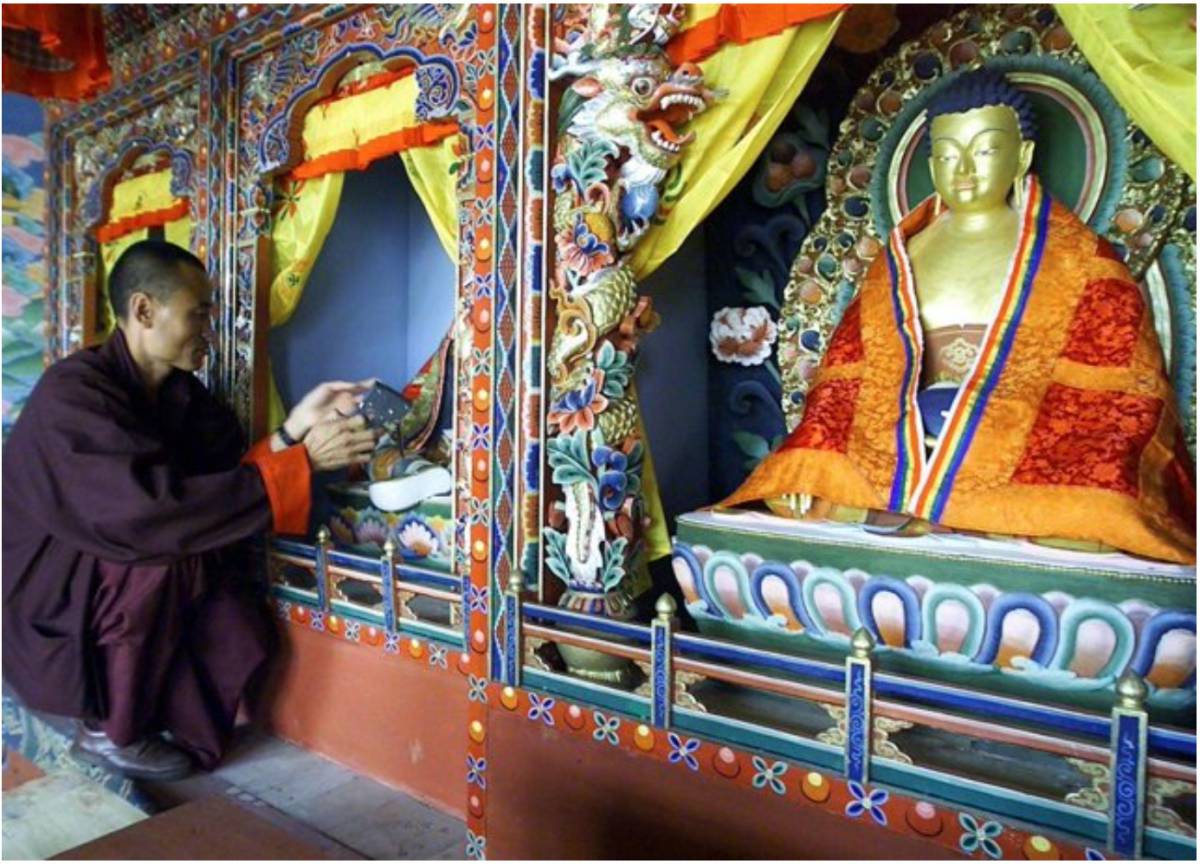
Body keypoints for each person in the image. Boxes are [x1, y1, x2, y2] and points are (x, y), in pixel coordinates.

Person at [722, 69, 1194, 563]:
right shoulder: (901, 254)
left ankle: (940, 515)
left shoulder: (1079, 258)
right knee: (793, 487)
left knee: (1101, 508)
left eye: (984, 150)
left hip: (1020, 441)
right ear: (930, 165)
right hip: (904, 442)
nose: (963, 169)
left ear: (1023, 157)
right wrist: (811, 467)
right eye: (948, 155)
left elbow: (1122, 395)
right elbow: (848, 382)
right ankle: (967, 520)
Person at [2, 239, 378, 780]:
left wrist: (295, 428)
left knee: (222, 591)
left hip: (116, 563)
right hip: (54, 592)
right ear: (143, 310)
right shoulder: (74, 394)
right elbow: (147, 517)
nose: (209, 330)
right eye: (197, 314)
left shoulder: (182, 396)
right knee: (165, 559)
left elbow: (223, 482)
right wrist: (303, 463)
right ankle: (110, 730)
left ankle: (153, 712)